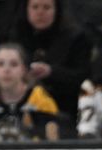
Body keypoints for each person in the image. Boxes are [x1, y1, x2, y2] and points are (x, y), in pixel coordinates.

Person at [9, 0, 91, 137]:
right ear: (26, 9)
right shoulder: (15, 35)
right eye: (35, 7)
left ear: (56, 10)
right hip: (21, 108)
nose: (40, 12)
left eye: (46, 7)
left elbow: (83, 77)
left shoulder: (76, 38)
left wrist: (52, 72)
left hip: (66, 108)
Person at [0, 43, 59, 141]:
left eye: (14, 64)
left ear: (24, 69)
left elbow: (52, 143)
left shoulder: (41, 100)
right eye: (0, 64)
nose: (6, 70)